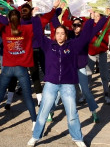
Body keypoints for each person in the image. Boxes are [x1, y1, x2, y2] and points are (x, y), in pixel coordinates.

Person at [27, 15, 95, 147]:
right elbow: (38, 33)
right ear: (54, 34)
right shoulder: (48, 45)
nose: (59, 36)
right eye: (57, 33)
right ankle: (35, 136)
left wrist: (91, 19)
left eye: (62, 33)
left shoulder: (73, 46)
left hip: (68, 84)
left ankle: (77, 138)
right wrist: (35, 17)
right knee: (43, 111)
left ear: (66, 35)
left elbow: (86, 36)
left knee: (72, 112)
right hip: (51, 83)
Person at [0, 9, 37, 130]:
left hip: (7, 68)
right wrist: (34, 14)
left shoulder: (5, 29)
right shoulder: (26, 29)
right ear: (20, 19)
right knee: (27, 97)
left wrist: (6, 18)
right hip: (21, 69)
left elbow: (2, 20)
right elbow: (42, 23)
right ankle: (34, 122)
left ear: (9, 19)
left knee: (0, 96)